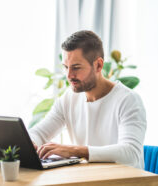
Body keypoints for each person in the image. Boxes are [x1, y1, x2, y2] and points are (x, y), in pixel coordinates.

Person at [29, 30, 146, 169]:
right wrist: (29, 143)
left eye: (76, 67)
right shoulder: (68, 99)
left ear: (98, 65)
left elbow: (130, 154)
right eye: (66, 67)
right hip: (88, 180)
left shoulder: (129, 100)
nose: (69, 75)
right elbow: (38, 133)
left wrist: (75, 151)